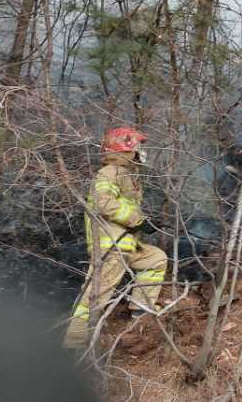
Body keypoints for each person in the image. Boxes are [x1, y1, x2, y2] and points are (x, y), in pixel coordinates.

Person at [63, 127, 167, 350]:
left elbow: (123, 206)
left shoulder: (125, 174)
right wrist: (138, 220)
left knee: (156, 259)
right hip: (111, 247)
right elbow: (104, 204)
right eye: (137, 147)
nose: (140, 151)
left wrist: (146, 223)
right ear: (125, 148)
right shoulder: (109, 173)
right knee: (95, 298)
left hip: (126, 244)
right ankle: (73, 346)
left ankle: (140, 313)